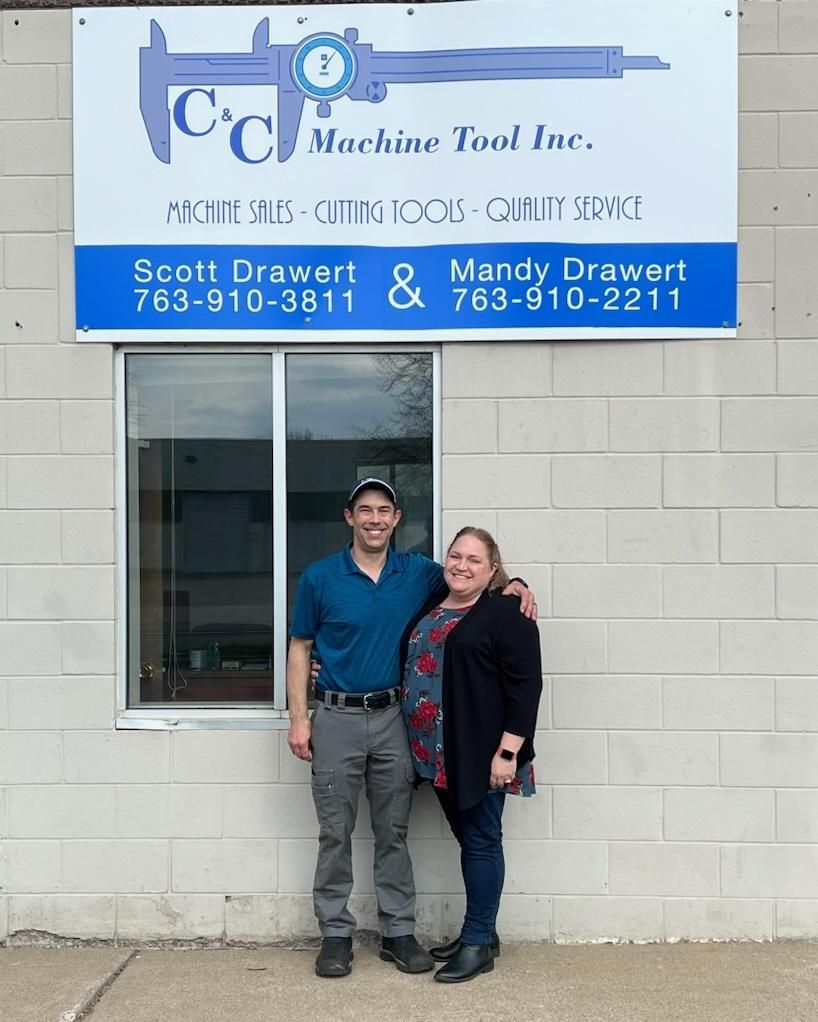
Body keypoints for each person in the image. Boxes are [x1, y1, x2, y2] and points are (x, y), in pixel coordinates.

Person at [286, 479, 536, 979]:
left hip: (392, 718)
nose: (374, 519)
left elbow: (477, 585)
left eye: (384, 510)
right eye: (365, 510)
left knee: (393, 832)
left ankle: (398, 932)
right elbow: (300, 648)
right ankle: (335, 935)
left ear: (397, 518)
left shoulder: (420, 573)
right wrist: (299, 717)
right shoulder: (319, 577)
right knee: (335, 831)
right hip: (334, 716)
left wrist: (517, 585)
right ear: (349, 516)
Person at [399, 526, 542, 984]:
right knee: (472, 840)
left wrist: (508, 752)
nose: (461, 565)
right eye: (455, 555)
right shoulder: (436, 601)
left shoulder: (506, 613)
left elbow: (526, 686)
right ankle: (482, 933)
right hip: (436, 753)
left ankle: (478, 943)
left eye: (474, 560)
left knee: (481, 841)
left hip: (482, 753)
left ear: (493, 569)